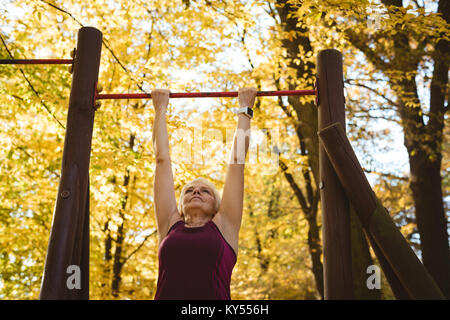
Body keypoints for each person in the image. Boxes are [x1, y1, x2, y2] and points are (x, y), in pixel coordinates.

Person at [151, 87, 257, 300]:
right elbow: (161, 160)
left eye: (205, 191)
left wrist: (245, 109)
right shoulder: (170, 224)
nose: (196, 191)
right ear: (181, 205)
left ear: (216, 204)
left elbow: (237, 162)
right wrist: (160, 109)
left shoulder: (224, 225)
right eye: (189, 191)